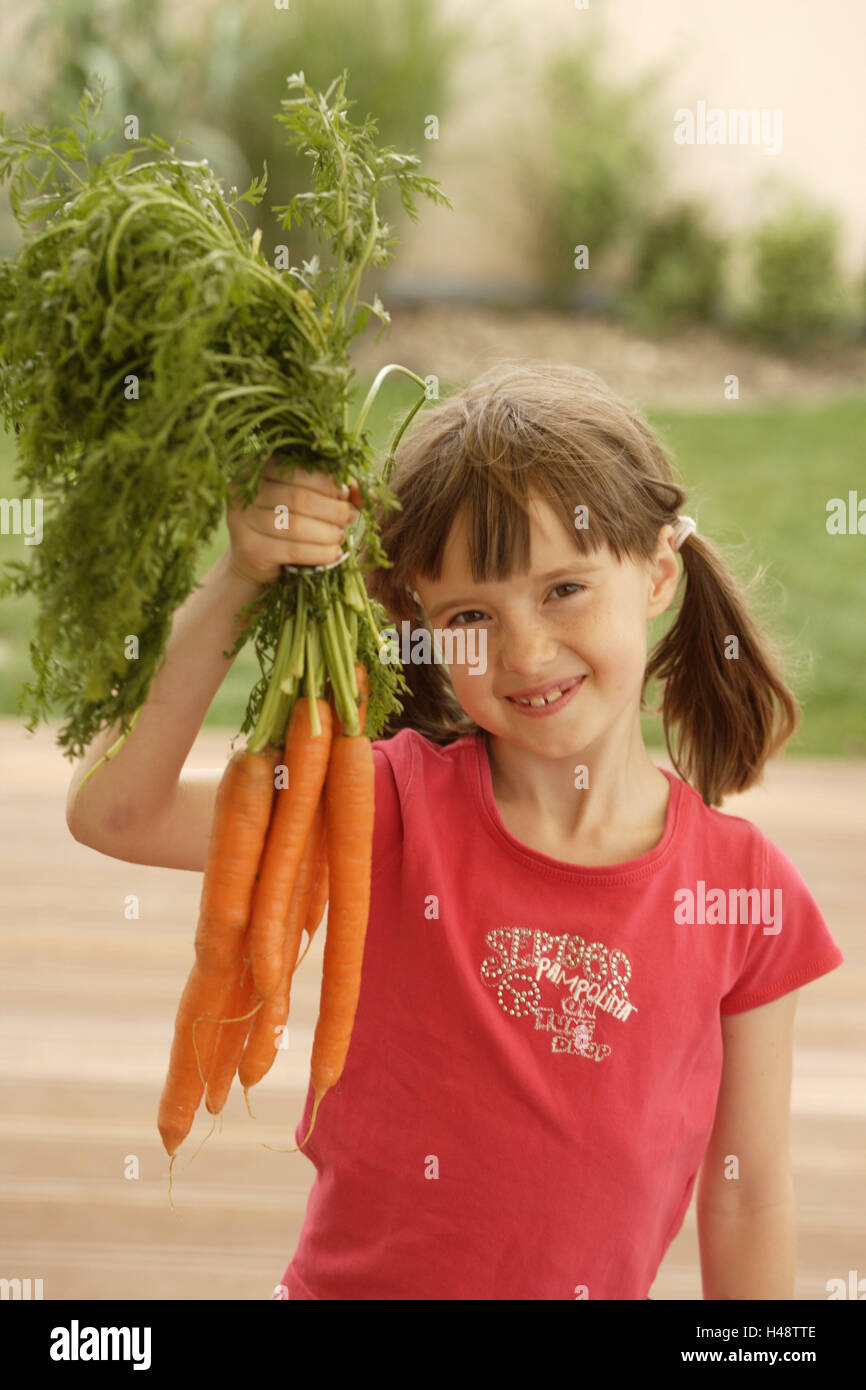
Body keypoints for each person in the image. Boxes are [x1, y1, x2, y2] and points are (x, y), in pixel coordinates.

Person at [66, 360, 843, 1301]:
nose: (523, 651)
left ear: (657, 574)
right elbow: (116, 809)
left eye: (564, 590)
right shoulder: (387, 807)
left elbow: (749, 1196)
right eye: (471, 615)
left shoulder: (743, 895)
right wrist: (241, 576)